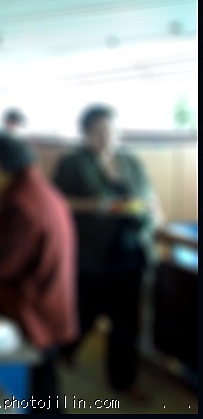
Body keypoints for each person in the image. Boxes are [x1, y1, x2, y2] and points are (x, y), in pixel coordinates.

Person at [52, 104, 159, 403]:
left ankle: (123, 382)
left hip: (131, 251)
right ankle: (65, 350)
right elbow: (58, 202)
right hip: (92, 253)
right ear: (86, 134)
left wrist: (148, 209)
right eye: (99, 131)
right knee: (85, 311)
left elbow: (148, 195)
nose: (107, 136)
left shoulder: (130, 161)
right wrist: (96, 206)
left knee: (127, 323)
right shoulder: (73, 163)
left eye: (112, 130)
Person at [0, 133, 78, 413]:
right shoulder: (38, 188)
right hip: (50, 296)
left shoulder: (20, 200)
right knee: (46, 379)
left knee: (40, 387)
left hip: (34, 306)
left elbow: (4, 265)